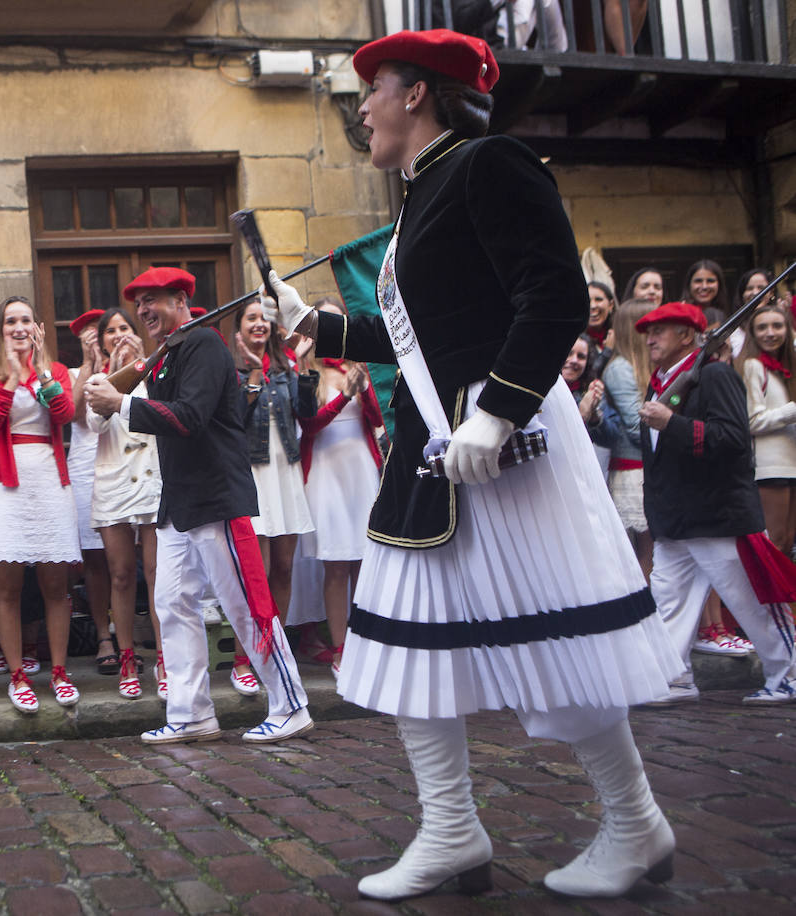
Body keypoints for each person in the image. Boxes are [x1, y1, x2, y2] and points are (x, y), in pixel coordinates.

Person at [262, 29, 679, 900]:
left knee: (558, 634)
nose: (363, 108)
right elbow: (427, 339)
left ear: (417, 94)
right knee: (405, 637)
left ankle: (636, 823)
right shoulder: (422, 194)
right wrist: (318, 324)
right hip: (433, 450)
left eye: (371, 91)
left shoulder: (491, 163)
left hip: (504, 445)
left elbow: (555, 293)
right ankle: (451, 830)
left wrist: (497, 412)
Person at [84, 266, 313, 746]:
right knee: (171, 604)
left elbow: (188, 417)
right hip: (179, 505)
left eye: (155, 300)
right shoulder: (169, 354)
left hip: (215, 498)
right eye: (140, 302)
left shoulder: (204, 346)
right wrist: (125, 380)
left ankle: (290, 704)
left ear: (181, 301)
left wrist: (120, 403)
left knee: (246, 603)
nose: (144, 309)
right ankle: (190, 713)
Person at [637, 301, 796, 705]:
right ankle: (674, 678)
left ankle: (789, 675)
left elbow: (732, 441)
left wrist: (672, 423)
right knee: (667, 604)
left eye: (661, 330)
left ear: (687, 336)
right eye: (649, 332)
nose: (650, 338)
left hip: (717, 517)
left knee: (752, 601)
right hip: (675, 521)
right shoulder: (663, 383)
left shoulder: (715, 375)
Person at [0, 295, 81, 714]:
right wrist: (14, 379)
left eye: (26, 320)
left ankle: (58, 671)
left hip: (49, 481)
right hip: (5, 484)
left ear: (37, 328)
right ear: (0, 330)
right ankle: (18, 675)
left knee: (56, 586)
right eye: (10, 321)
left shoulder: (53, 372)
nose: (18, 327)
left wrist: (36, 372)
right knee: (8, 587)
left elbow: (65, 413)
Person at [297, 297, 384, 681]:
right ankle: (340, 649)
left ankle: (369, 642)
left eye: (338, 321)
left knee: (365, 563)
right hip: (328, 471)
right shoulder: (310, 369)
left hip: (361, 469)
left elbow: (375, 422)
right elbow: (311, 424)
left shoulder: (355, 363)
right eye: (324, 322)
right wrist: (345, 396)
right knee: (336, 564)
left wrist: (363, 392)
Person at [85, 307, 163, 700]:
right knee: (120, 574)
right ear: (101, 340)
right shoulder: (98, 380)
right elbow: (94, 423)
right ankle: (127, 657)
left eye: (124, 328)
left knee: (156, 572)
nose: (118, 334)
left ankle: (165, 657)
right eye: (111, 330)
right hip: (114, 481)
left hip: (151, 481)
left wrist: (138, 369)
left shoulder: (156, 370)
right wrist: (118, 373)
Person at [233, 301, 315, 648]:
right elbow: (234, 418)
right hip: (253, 476)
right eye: (251, 318)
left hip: (285, 474)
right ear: (239, 330)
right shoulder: (231, 370)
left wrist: (306, 363)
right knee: (258, 572)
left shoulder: (286, 368)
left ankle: (276, 644)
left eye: (265, 318)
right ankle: (247, 651)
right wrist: (253, 374)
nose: (259, 324)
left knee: (283, 566)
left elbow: (307, 412)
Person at [67, 309, 117, 677]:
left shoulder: (129, 365)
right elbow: (74, 413)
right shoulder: (73, 374)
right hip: (87, 469)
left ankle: (136, 635)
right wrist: (88, 364)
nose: (94, 340)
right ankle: (103, 636)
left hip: (125, 466)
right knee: (97, 561)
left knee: (134, 563)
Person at [601, 298, 655, 577]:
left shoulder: (641, 365)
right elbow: (637, 426)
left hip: (646, 468)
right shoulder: (620, 368)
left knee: (652, 551)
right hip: (633, 470)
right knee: (644, 553)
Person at [738, 300, 796, 557]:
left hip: (791, 464)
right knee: (776, 542)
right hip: (770, 468)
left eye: (777, 326)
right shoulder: (752, 366)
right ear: (752, 333)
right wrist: (792, 410)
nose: (770, 333)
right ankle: (771, 598)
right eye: (762, 327)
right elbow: (752, 421)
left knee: (788, 542)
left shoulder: (786, 370)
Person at [562, 333, 624, 462]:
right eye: (568, 353)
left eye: (581, 357)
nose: (574, 360)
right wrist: (580, 414)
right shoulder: (544, 391)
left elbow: (612, 438)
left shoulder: (590, 390)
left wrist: (594, 415)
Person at [586, 281, 616, 351]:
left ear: (611, 305)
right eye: (588, 300)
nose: (592, 306)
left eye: (598, 300)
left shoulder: (620, 336)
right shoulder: (573, 339)